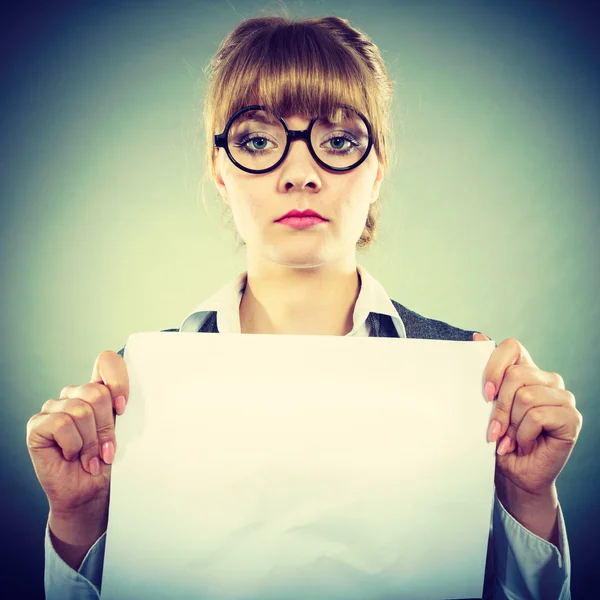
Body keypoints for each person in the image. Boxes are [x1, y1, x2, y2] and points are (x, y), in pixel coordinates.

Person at [26, 13, 582, 600]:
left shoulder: (473, 388)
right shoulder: (131, 399)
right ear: (219, 168)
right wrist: (77, 519)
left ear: (378, 165)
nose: (299, 174)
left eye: (338, 141)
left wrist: (526, 498)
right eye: (258, 140)